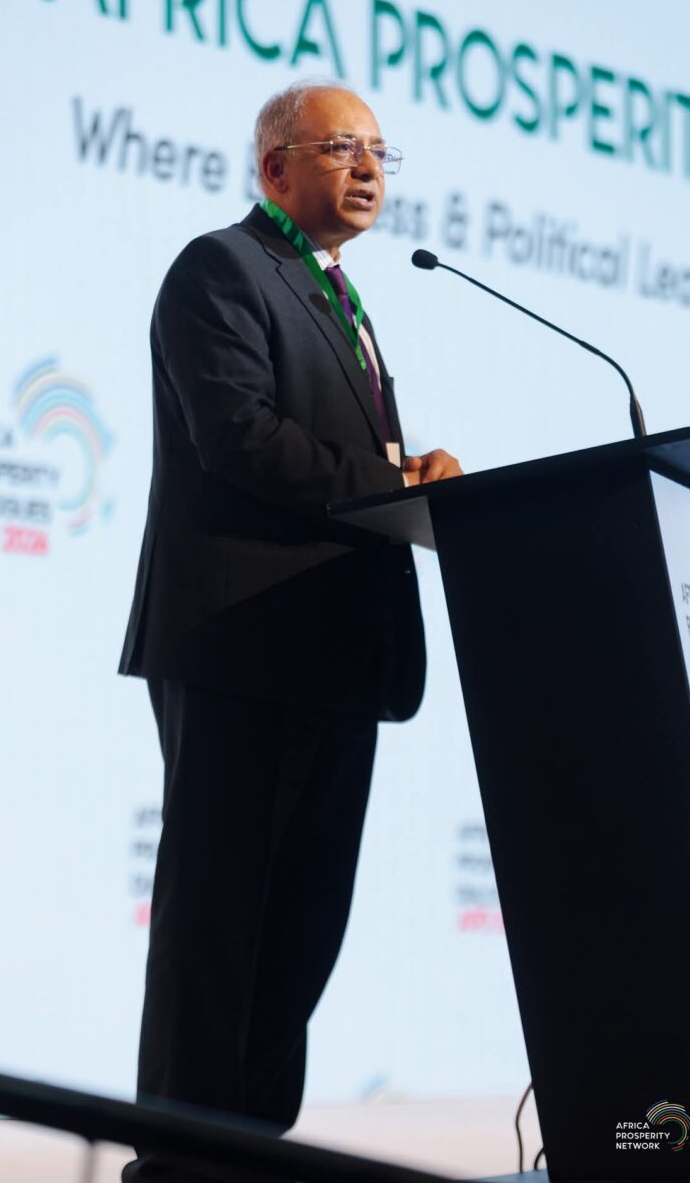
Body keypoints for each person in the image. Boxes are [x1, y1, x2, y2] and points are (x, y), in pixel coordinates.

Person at [119, 81, 462, 1180]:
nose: (367, 168)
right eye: (341, 147)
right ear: (274, 168)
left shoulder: (338, 295)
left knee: (296, 936)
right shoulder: (222, 268)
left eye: (378, 152)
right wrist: (392, 481)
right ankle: (178, 1165)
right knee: (221, 931)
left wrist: (413, 474)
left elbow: (335, 459)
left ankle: (250, 1156)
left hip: (334, 656)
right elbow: (238, 436)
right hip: (247, 647)